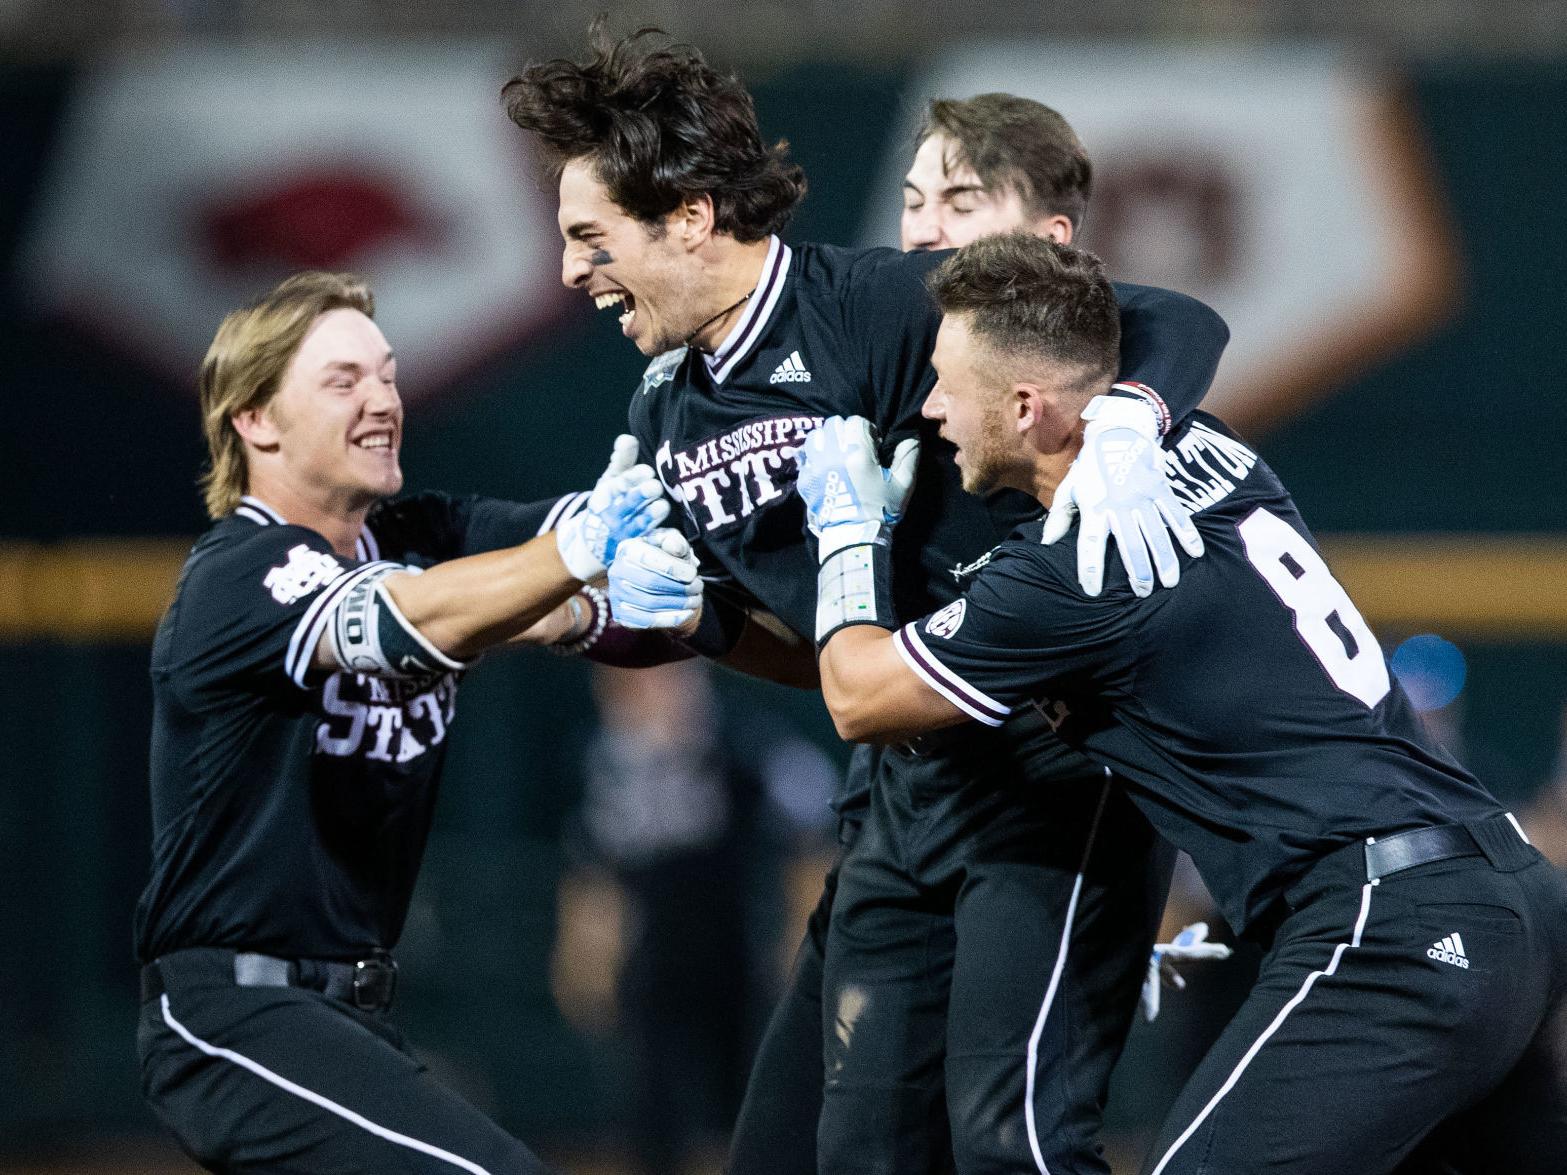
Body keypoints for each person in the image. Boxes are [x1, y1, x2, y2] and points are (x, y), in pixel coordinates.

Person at [503, 28, 1227, 1174]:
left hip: (1046, 780)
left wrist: (1130, 417)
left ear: (689, 216)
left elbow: (1173, 321)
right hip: (900, 789)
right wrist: (672, 620)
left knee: (1010, 1144)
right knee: (830, 1154)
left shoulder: (873, 302)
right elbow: (799, 651)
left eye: (590, 238)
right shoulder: (662, 418)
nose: (568, 272)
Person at [796, 232, 1567, 1174]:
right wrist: (1132, 408)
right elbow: (1175, 323)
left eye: (949, 383)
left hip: (1387, 923)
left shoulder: (1075, 569)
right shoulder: (1203, 443)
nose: (929, 406)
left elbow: (857, 695)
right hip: (1502, 890)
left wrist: (845, 535)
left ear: (1027, 406)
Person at [133, 271, 674, 1174]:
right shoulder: (240, 571)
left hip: (351, 1014)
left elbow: (582, 552)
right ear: (255, 420)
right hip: (231, 1014)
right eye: (343, 381)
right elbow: (400, 619)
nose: (383, 399)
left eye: (386, 376)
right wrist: (573, 564)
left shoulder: (421, 532)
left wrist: (616, 565)